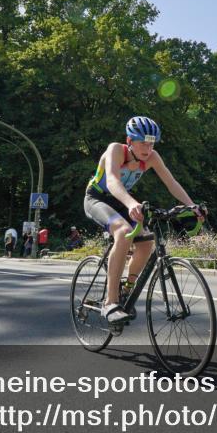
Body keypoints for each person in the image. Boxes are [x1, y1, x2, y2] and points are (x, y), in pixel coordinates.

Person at [84, 116, 204, 325]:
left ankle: (126, 288)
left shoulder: (152, 157)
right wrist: (131, 203)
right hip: (97, 198)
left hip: (122, 200)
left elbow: (171, 183)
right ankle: (110, 302)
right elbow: (112, 180)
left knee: (147, 241)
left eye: (151, 143)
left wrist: (191, 206)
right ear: (130, 141)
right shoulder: (115, 150)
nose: (148, 148)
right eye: (143, 143)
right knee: (122, 231)